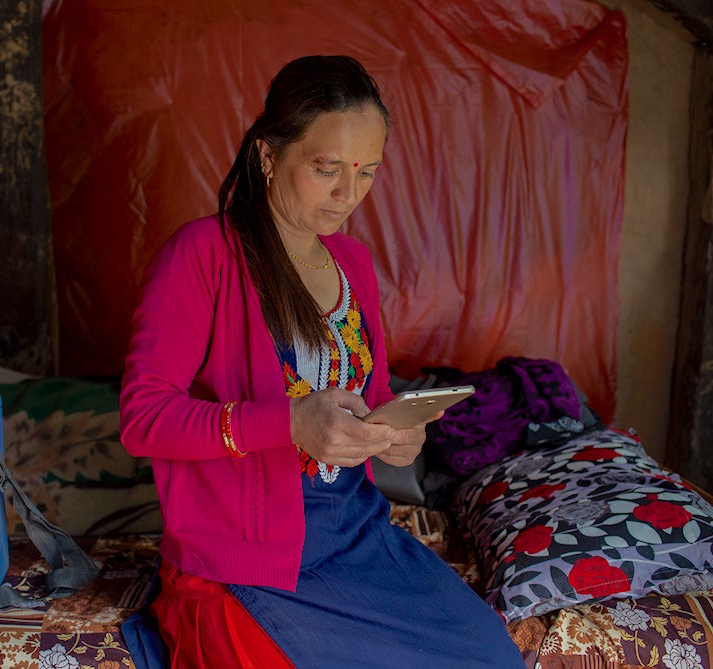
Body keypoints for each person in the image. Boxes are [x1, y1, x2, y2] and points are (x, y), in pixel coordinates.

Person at [119, 55, 524, 668]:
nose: (347, 194)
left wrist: (400, 434)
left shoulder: (353, 264)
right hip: (244, 561)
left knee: (489, 657)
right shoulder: (203, 256)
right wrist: (288, 423)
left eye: (366, 172)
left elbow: (376, 387)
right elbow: (143, 418)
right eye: (327, 168)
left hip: (355, 539)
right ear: (267, 155)